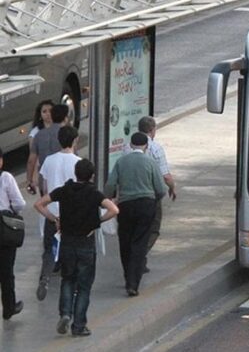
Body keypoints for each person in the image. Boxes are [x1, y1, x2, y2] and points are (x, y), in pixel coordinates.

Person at [34, 159, 119, 337]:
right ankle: (79, 325)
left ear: (76, 173)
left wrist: (54, 219)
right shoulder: (94, 194)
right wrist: (97, 222)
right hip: (86, 244)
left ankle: (65, 314)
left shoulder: (64, 190)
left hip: (67, 243)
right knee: (84, 286)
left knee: (68, 280)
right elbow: (114, 210)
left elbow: (39, 204)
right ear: (92, 176)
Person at [105, 132, 166, 297]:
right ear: (146, 146)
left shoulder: (121, 161)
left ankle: (127, 276)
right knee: (140, 243)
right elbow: (161, 189)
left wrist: (109, 198)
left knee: (125, 241)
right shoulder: (150, 162)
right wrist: (153, 200)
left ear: (131, 145)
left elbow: (110, 184)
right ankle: (133, 283)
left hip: (126, 205)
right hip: (146, 205)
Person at [36, 125, 82, 301]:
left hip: (52, 213)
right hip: (71, 215)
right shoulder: (78, 162)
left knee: (49, 249)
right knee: (71, 250)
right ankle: (71, 285)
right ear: (75, 140)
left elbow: (45, 187)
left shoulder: (49, 160)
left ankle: (45, 277)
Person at [135, 116, 176, 273]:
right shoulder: (156, 148)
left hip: (130, 195)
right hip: (150, 196)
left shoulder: (127, 147)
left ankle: (139, 258)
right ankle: (139, 255)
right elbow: (165, 176)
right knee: (153, 228)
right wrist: (172, 188)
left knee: (136, 228)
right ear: (152, 130)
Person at [0, 147, 25, 320]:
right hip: (3, 226)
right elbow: (19, 203)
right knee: (6, 270)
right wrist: (11, 211)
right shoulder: (5, 178)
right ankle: (9, 307)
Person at [26, 103, 69, 196]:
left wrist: (29, 180)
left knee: (46, 201)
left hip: (45, 177)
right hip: (63, 176)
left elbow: (31, 160)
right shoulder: (67, 133)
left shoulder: (38, 135)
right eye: (44, 111)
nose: (48, 114)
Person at [26, 99, 55, 195]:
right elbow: (33, 158)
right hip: (44, 173)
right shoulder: (35, 133)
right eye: (44, 111)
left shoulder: (61, 128)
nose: (48, 114)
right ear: (40, 115)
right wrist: (32, 179)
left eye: (50, 111)